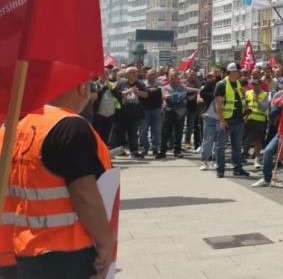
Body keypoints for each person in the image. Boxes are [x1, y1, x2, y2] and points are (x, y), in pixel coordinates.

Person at [2, 81, 114, 279]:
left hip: (19, 246)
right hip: (65, 252)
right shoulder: (70, 127)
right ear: (82, 88)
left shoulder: (12, 128)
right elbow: (84, 193)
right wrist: (106, 242)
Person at [252, 78, 283, 188]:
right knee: (268, 151)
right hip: (282, 132)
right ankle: (266, 178)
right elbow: (271, 116)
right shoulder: (280, 100)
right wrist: (280, 107)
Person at [215, 63, 250, 178]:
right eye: (238, 71)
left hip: (239, 120)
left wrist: (245, 107)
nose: (240, 73)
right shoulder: (221, 85)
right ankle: (220, 170)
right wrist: (222, 120)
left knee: (236, 146)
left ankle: (238, 168)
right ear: (232, 72)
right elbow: (218, 105)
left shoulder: (238, 83)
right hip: (227, 121)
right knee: (221, 146)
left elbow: (242, 98)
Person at [113, 67, 145, 158]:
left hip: (135, 114)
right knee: (120, 134)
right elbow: (116, 93)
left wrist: (138, 92)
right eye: (132, 72)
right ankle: (120, 151)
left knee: (133, 134)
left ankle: (134, 151)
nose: (134, 74)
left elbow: (146, 95)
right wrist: (128, 91)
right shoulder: (120, 83)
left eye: (135, 72)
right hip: (121, 114)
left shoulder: (140, 83)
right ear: (126, 75)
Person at [243, 67, 271, 163]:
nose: (255, 87)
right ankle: (244, 155)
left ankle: (257, 158)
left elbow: (264, 107)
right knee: (247, 138)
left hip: (260, 120)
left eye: (257, 85)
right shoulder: (248, 93)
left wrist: (257, 100)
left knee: (258, 140)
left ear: (260, 85)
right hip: (249, 119)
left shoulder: (264, 94)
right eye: (253, 85)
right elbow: (244, 104)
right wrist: (245, 110)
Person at [159, 70, 188, 158]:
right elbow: (166, 97)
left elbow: (179, 98)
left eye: (175, 76)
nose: (173, 77)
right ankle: (162, 151)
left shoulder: (183, 87)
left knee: (178, 132)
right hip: (168, 111)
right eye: (171, 76)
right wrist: (173, 96)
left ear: (178, 77)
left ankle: (177, 151)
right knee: (165, 132)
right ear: (168, 77)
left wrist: (171, 96)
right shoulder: (164, 88)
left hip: (180, 112)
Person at [137, 68, 163, 157]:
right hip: (144, 110)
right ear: (146, 75)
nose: (151, 76)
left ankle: (155, 149)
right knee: (143, 131)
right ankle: (145, 148)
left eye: (153, 74)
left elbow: (161, 92)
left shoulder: (160, 84)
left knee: (156, 130)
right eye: (150, 74)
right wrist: (150, 90)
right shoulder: (141, 84)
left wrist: (149, 90)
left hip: (156, 109)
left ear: (156, 75)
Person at [198, 70, 221, 170]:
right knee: (208, 139)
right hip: (210, 115)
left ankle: (216, 160)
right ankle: (205, 161)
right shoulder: (211, 84)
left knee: (219, 140)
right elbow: (203, 93)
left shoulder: (227, 85)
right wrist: (215, 95)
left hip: (222, 117)